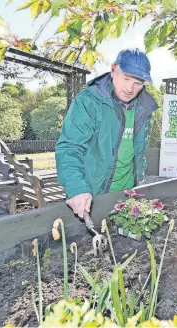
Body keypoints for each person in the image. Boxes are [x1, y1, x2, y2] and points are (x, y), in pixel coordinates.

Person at [56, 48, 158, 218]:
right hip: (93, 195)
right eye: (126, 79)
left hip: (128, 195)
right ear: (112, 70)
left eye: (138, 83)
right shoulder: (88, 102)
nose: (130, 88)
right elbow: (69, 147)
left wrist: (140, 177)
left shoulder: (144, 108)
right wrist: (77, 188)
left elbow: (138, 149)